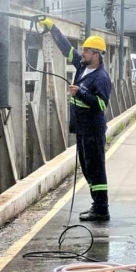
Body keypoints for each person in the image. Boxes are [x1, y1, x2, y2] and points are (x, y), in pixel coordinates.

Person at [39, 18, 112, 221]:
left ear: (96, 55)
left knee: (95, 168)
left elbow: (102, 104)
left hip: (92, 130)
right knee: (87, 166)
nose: (83, 53)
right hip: (82, 128)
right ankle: (97, 205)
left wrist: (79, 93)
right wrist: (52, 28)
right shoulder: (82, 67)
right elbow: (67, 49)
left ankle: (101, 208)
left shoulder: (101, 78)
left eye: (87, 51)